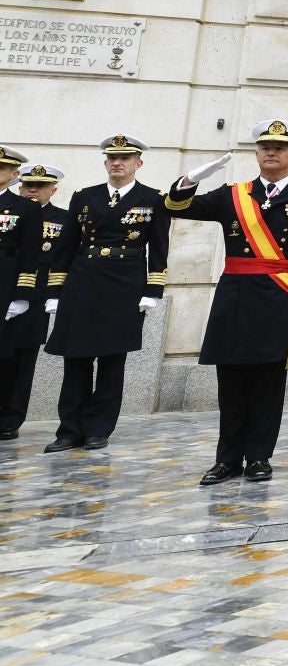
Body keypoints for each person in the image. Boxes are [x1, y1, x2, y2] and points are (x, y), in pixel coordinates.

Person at [164, 121, 288, 482]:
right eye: (265, 147)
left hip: (279, 297)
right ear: (257, 154)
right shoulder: (232, 194)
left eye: (280, 148)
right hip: (236, 297)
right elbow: (176, 206)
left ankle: (258, 458)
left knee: (269, 382)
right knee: (232, 380)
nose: (271, 152)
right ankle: (226, 460)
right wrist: (192, 178)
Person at [44, 134, 171, 453]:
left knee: (112, 362)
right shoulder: (84, 196)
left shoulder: (153, 199)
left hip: (124, 286)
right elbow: (66, 246)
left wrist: (153, 289)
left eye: (125, 158)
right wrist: (55, 291)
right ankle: (69, 430)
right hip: (82, 284)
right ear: (105, 163)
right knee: (76, 360)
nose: (118, 162)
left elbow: (158, 248)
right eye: (112, 158)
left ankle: (98, 429)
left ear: (137, 164)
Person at [0, 151, 49, 441]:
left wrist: (21, 296)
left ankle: (7, 417)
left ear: (14, 174)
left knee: (8, 358)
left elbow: (31, 256)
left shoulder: (25, 208)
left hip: (5, 285)